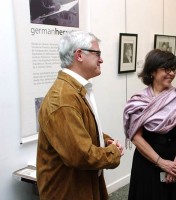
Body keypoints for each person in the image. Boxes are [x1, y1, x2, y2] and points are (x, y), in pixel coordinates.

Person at [37, 30, 124, 200]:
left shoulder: (75, 90)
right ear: (79, 55)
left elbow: (81, 129)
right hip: (68, 190)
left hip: (82, 184)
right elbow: (80, 156)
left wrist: (104, 140)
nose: (101, 59)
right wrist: (113, 153)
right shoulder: (63, 98)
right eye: (97, 53)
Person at [123, 49, 176, 200]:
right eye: (166, 69)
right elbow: (136, 138)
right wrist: (161, 163)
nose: (172, 73)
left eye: (174, 69)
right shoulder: (139, 101)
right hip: (147, 161)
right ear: (152, 71)